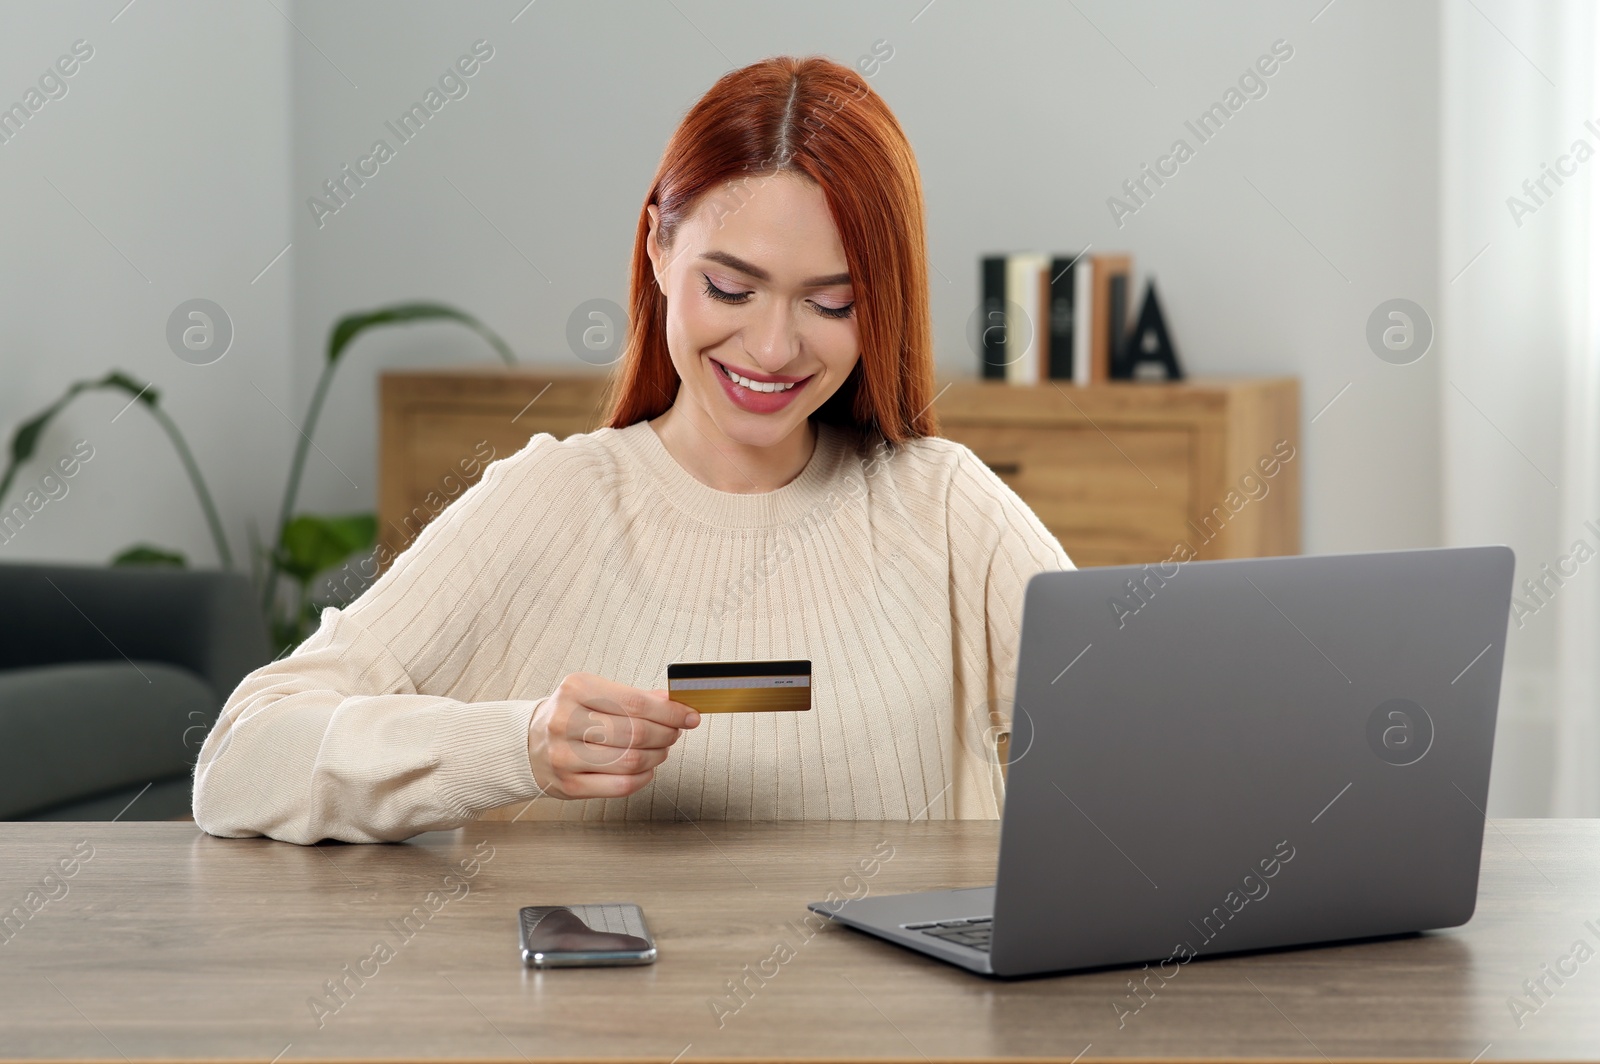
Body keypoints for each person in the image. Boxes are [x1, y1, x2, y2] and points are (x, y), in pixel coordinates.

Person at [192, 55, 1073, 845]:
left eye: (832, 304)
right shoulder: (552, 502)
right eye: (731, 287)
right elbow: (241, 759)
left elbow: (1153, 738)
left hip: (885, 1030)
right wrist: (519, 744)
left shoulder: (946, 508)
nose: (773, 349)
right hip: (603, 1024)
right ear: (658, 245)